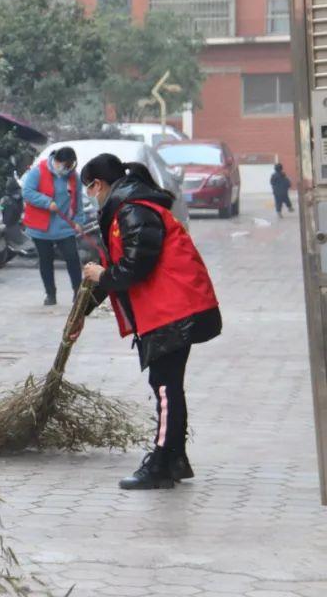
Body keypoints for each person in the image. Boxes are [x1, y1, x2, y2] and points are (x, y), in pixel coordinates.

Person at [78, 153, 222, 491]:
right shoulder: (127, 209)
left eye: (89, 189)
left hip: (174, 309)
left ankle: (161, 463)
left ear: (98, 184)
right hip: (169, 308)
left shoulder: (133, 210)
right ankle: (173, 459)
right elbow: (119, 265)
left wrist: (103, 275)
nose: (90, 196)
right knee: (166, 385)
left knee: (165, 387)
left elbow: (134, 267)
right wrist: (81, 313)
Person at [22, 146, 86, 305]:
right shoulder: (38, 171)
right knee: (46, 260)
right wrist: (46, 202)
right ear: (57, 161)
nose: (66, 168)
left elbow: (78, 202)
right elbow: (27, 192)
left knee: (72, 258)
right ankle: (50, 294)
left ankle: (78, 292)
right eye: (64, 164)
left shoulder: (73, 177)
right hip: (41, 227)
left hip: (65, 227)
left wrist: (79, 221)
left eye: (69, 165)